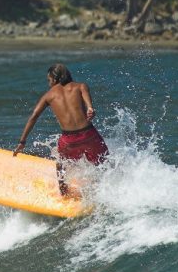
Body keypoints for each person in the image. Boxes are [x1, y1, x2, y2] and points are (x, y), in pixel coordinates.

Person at [12, 63, 108, 196]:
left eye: (48, 80)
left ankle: (64, 193)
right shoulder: (81, 86)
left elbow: (34, 116)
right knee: (105, 163)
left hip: (69, 140)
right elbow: (89, 106)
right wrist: (90, 108)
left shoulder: (48, 95)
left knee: (61, 166)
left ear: (54, 78)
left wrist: (22, 142)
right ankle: (108, 190)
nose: (48, 83)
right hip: (89, 134)